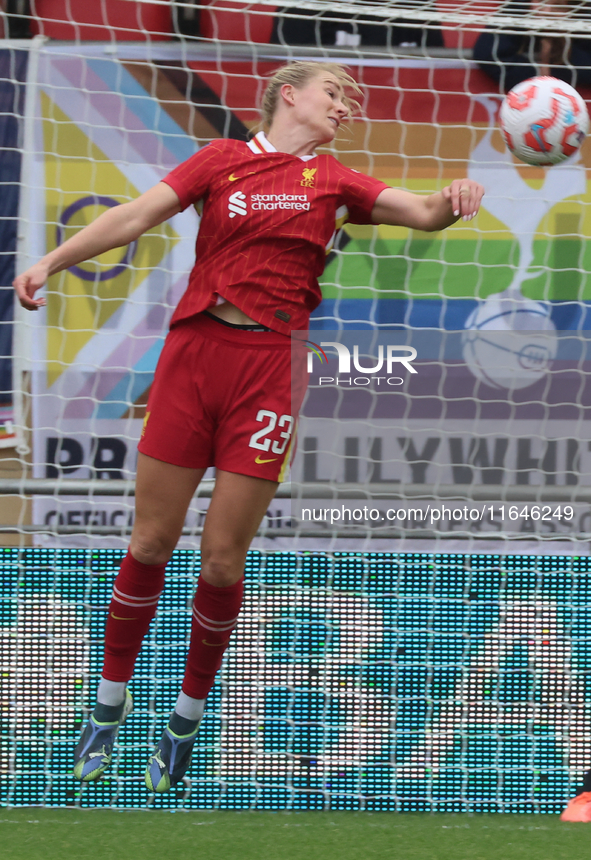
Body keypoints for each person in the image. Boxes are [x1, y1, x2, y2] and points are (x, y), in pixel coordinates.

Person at [13, 61, 484, 793]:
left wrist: (454, 199)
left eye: (352, 100)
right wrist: (51, 259)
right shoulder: (222, 160)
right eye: (335, 93)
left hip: (269, 369)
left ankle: (186, 717)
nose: (346, 107)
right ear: (287, 94)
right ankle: (108, 703)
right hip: (194, 355)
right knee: (149, 541)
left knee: (222, 561)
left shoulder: (333, 181)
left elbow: (422, 211)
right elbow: (136, 214)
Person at [473, 0, 591, 91]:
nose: (547, 11)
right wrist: (538, 75)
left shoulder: (584, 16)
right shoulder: (518, 10)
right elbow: (488, 53)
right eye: (540, 2)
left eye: (558, 5)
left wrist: (557, 61)